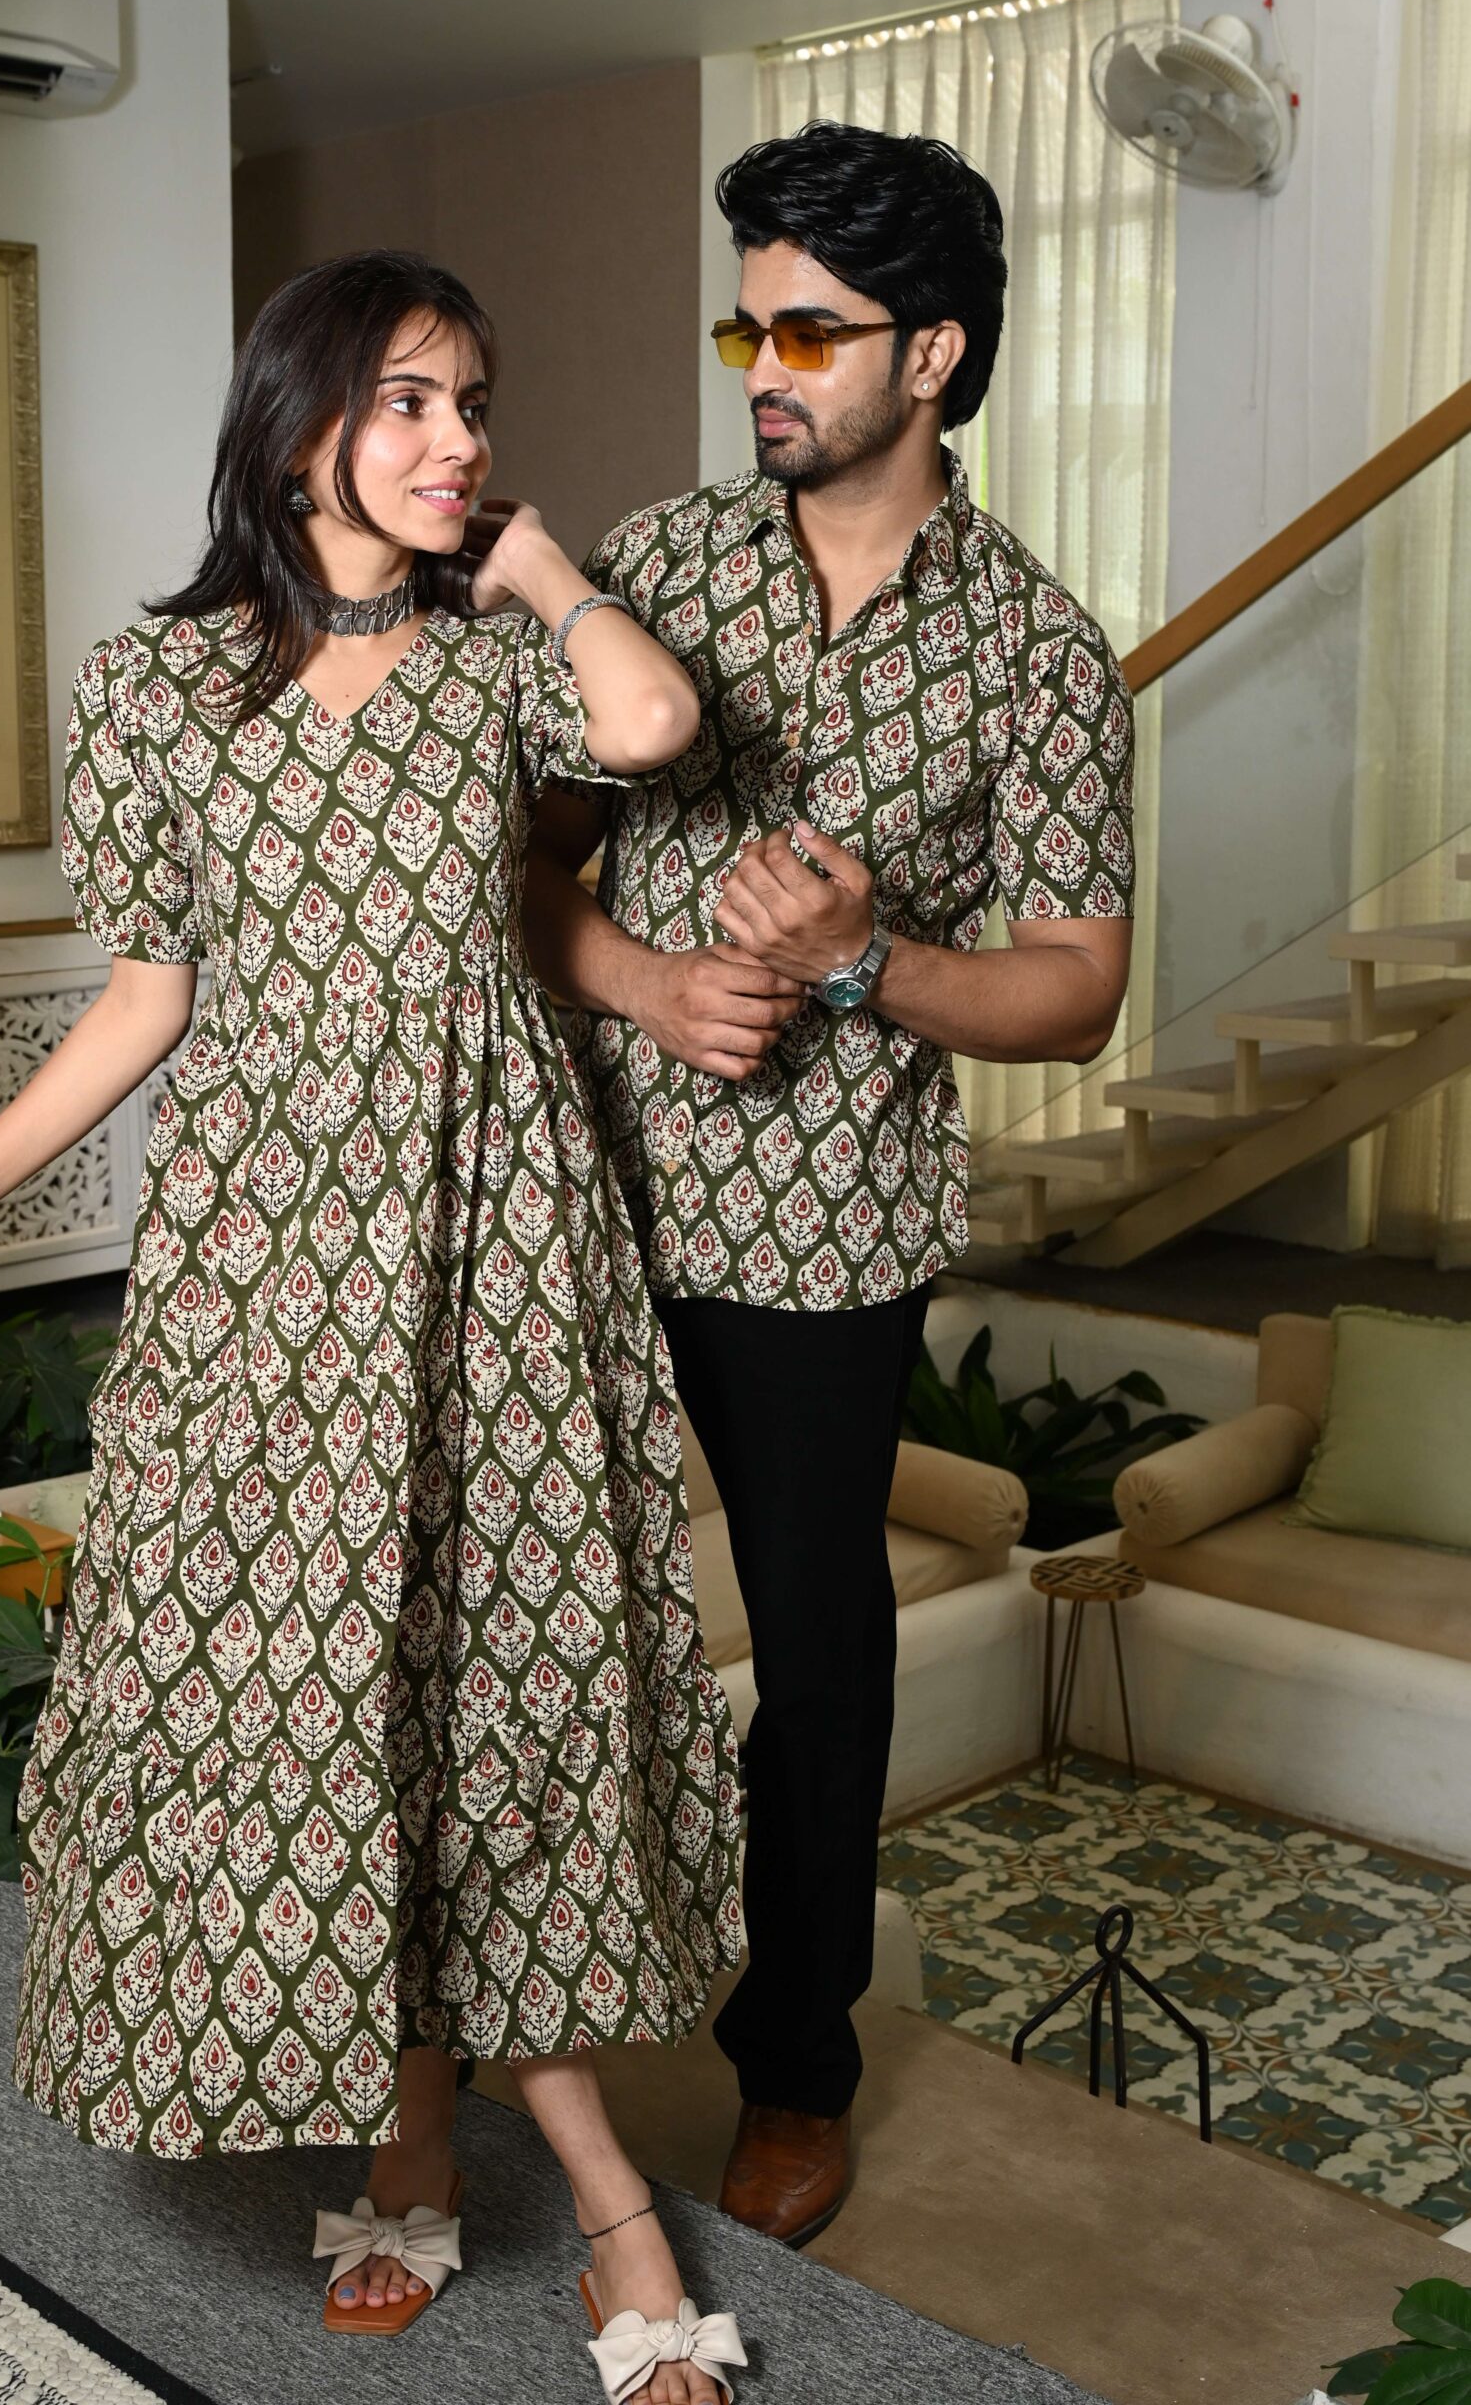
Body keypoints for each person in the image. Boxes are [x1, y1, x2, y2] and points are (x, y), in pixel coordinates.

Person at [0, 249, 750, 2405]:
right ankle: (434, 2148)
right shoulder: (159, 689)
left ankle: (555, 2188)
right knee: (322, 1695)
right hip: (272, 1272)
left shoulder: (496, 668)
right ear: (298, 419)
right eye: (407, 400)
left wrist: (541, 565)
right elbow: (146, 998)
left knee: (496, 1681)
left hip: (497, 1246)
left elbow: (653, 725)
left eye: (473, 403)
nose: (455, 440)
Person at [523, 124, 1135, 2246]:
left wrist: (864, 960)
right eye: (746, 330)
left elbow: (1075, 984)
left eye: (808, 333)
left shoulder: (1043, 652)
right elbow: (516, 865)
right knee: (543, 1614)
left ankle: (795, 2065)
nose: (762, 370)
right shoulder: (654, 572)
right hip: (581, 1192)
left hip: (826, 1235)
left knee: (817, 1648)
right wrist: (644, 975)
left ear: (933, 354)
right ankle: (513, 2013)